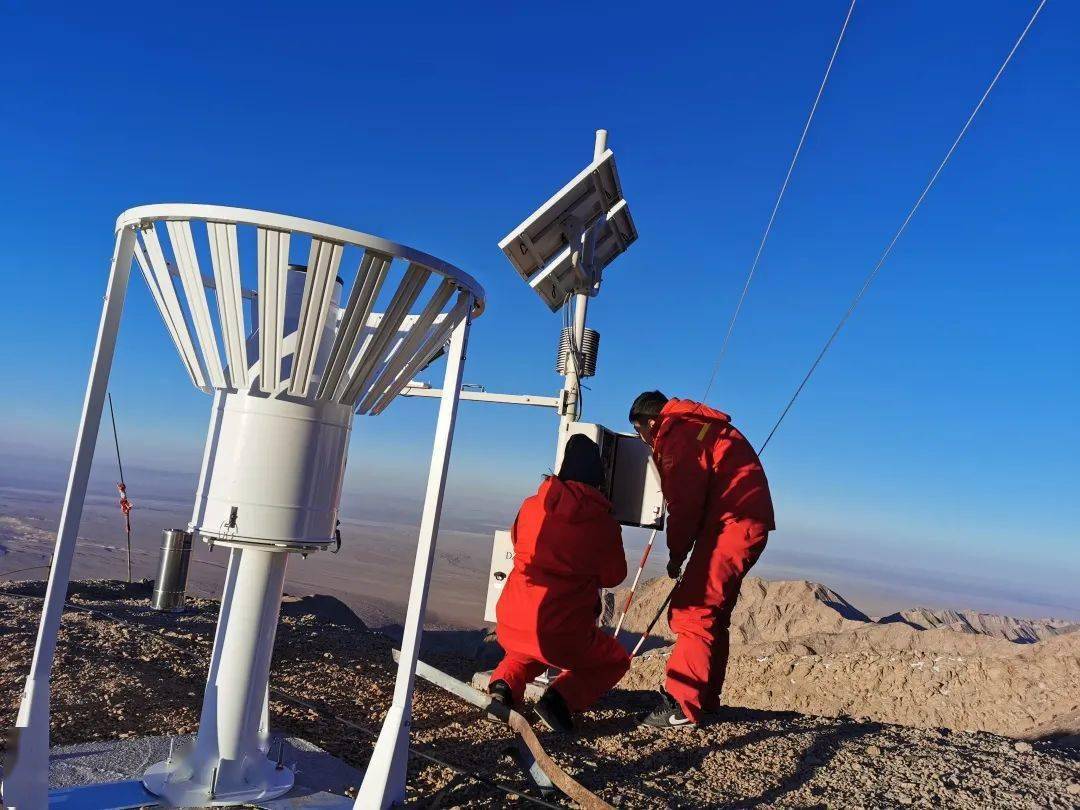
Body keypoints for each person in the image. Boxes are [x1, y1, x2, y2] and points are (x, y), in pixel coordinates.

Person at [629, 391, 774, 729]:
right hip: (741, 525)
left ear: (651, 423)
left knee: (694, 611)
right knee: (713, 612)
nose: (644, 441)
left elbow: (685, 502)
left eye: (641, 433)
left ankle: (682, 702)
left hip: (732, 526)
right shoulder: (700, 427)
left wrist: (677, 553)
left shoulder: (678, 434)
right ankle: (704, 699)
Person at [488, 434, 630, 732]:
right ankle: (559, 701)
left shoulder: (531, 505)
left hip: (511, 621)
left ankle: (503, 688)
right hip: (561, 633)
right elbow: (614, 575)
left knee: (525, 652)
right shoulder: (603, 523)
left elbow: (516, 539)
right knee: (614, 660)